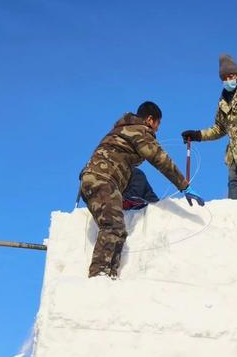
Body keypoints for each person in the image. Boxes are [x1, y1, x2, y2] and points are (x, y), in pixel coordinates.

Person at [79, 101, 204, 279]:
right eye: (157, 125)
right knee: (113, 226)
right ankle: (99, 273)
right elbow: (160, 160)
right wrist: (184, 186)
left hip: (93, 179)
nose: (157, 131)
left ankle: (109, 275)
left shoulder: (120, 130)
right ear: (150, 120)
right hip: (104, 180)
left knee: (118, 229)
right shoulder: (140, 131)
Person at [181, 54, 237, 201]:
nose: (228, 81)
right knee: (234, 183)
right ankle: (234, 215)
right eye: (224, 78)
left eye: (230, 76)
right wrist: (198, 135)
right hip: (235, 153)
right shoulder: (223, 102)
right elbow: (219, 128)